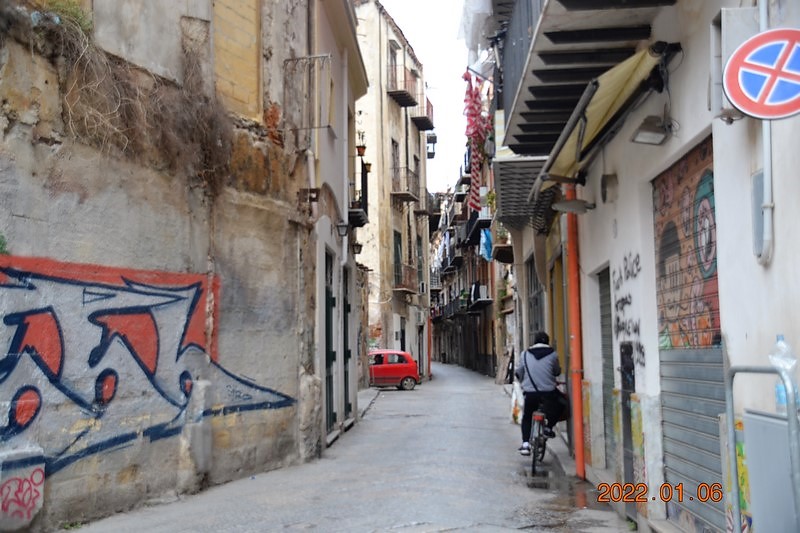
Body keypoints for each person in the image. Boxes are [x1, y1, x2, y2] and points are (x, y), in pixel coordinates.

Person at [515, 331, 561, 455]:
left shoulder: (524, 354)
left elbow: (519, 373)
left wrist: (523, 382)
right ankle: (548, 428)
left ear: (534, 341)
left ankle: (525, 444)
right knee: (561, 405)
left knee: (527, 416)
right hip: (548, 393)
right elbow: (556, 371)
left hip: (530, 393)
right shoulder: (553, 354)